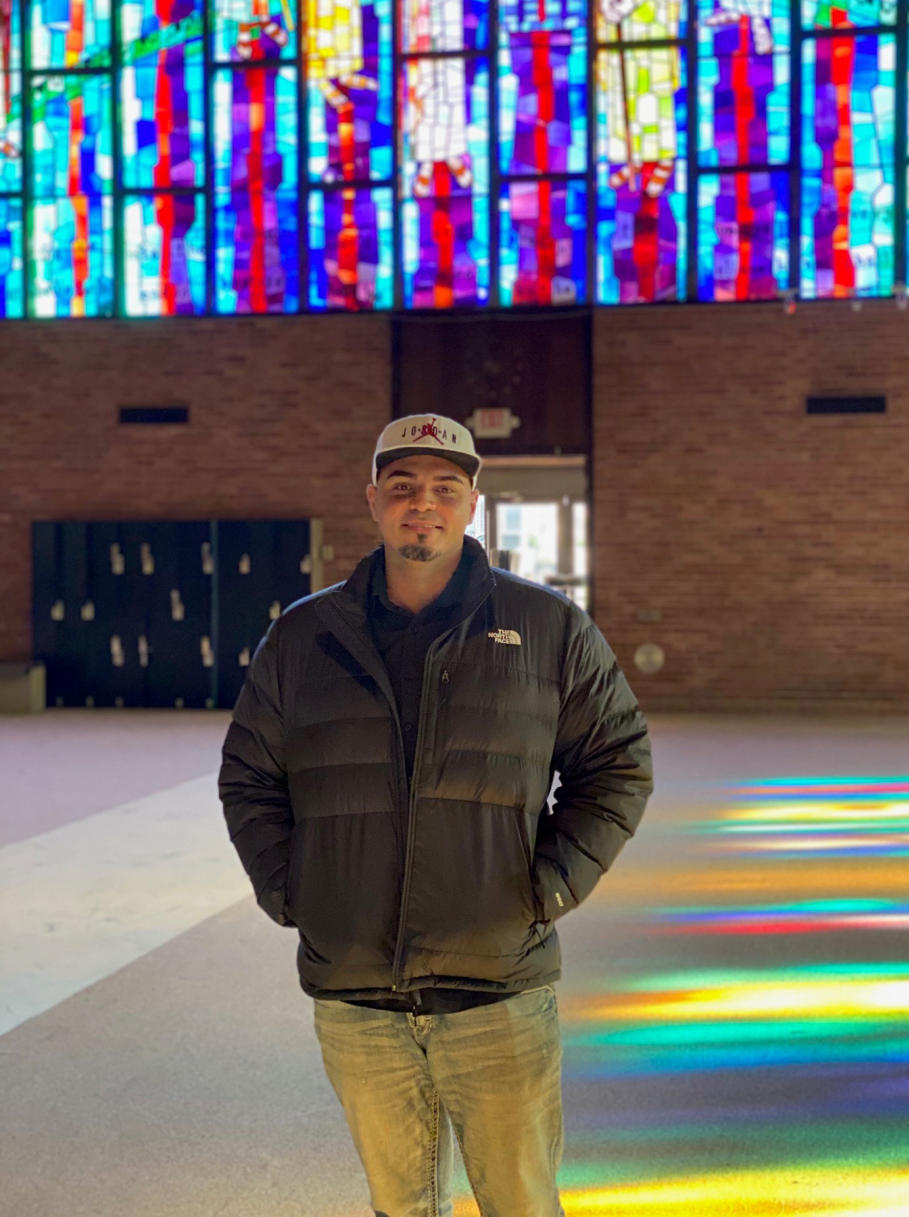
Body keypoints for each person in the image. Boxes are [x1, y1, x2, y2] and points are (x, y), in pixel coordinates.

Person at [219, 412, 653, 1217]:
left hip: (498, 984)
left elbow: (618, 762)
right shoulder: (304, 636)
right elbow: (249, 774)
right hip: (357, 994)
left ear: (472, 505)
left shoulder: (549, 628)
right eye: (403, 487)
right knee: (400, 1205)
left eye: (445, 488)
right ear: (374, 501)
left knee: (520, 1201)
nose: (424, 503)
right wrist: (295, 890)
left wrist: (547, 890)